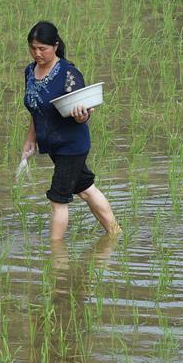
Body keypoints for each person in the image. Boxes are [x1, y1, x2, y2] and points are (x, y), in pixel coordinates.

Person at [21, 21, 120, 240]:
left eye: (42, 48)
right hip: (53, 145)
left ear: (55, 46)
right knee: (85, 189)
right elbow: (36, 109)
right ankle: (115, 233)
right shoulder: (30, 71)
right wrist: (31, 139)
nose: (37, 53)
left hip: (71, 145)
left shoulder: (69, 74)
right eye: (33, 48)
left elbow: (83, 113)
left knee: (57, 199)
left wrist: (82, 115)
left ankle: (56, 256)